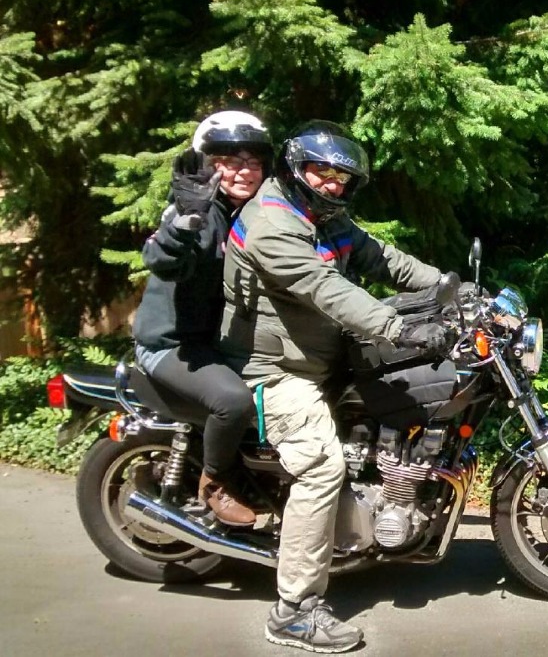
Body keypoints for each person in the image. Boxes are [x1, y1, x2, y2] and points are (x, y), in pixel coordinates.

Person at [219, 120, 446, 653]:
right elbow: (324, 287)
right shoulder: (271, 223)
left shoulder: (325, 217)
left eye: (342, 178)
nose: (333, 184)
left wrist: (448, 287)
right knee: (322, 465)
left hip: (320, 356)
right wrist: (398, 327)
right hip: (274, 369)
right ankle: (293, 611)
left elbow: (382, 258)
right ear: (296, 168)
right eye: (322, 172)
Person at [133, 110, 272, 527]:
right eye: (230, 160)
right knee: (233, 401)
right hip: (170, 344)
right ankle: (215, 483)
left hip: (215, 343)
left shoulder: (252, 215)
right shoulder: (197, 210)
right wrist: (185, 222)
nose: (244, 171)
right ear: (208, 165)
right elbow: (161, 259)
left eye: (253, 161)